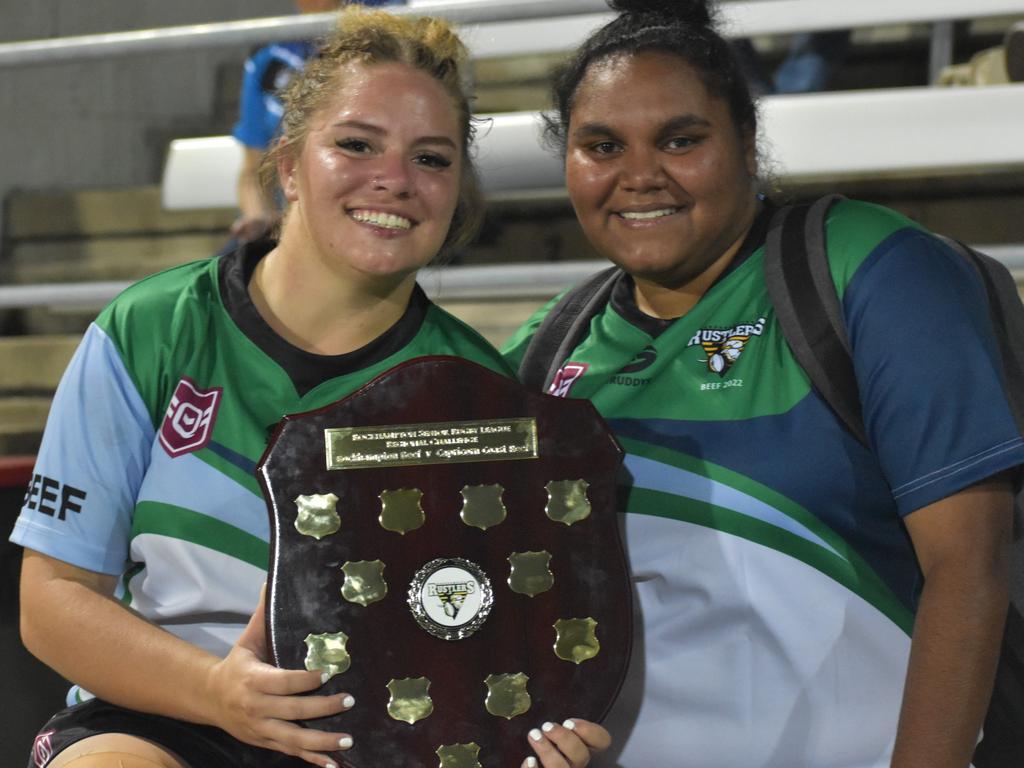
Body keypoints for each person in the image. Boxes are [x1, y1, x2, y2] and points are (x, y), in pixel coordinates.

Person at [11, 7, 601, 768]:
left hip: (384, 736)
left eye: (432, 158)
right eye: (356, 144)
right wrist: (221, 692)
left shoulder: (475, 390)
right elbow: (51, 603)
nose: (393, 179)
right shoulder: (153, 329)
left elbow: (493, 632)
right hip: (166, 713)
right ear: (288, 164)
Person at [502, 1, 1023, 766]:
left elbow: (968, 571)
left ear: (746, 143)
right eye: (602, 145)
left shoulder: (868, 271)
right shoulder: (546, 352)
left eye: (681, 140)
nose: (640, 175)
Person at [230, 0, 405, 245]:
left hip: (376, 215)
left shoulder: (400, 31)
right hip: (294, 230)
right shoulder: (269, 57)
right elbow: (252, 173)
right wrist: (260, 217)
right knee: (220, 276)